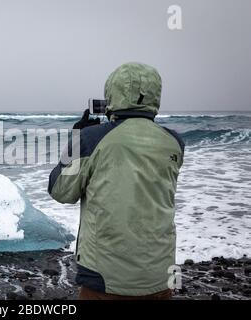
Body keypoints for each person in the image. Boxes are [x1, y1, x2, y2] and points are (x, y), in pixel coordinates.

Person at [48, 62, 185, 300]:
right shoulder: (174, 142)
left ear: (112, 94)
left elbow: (61, 190)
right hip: (161, 274)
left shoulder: (92, 138)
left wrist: (77, 141)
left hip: (107, 277)